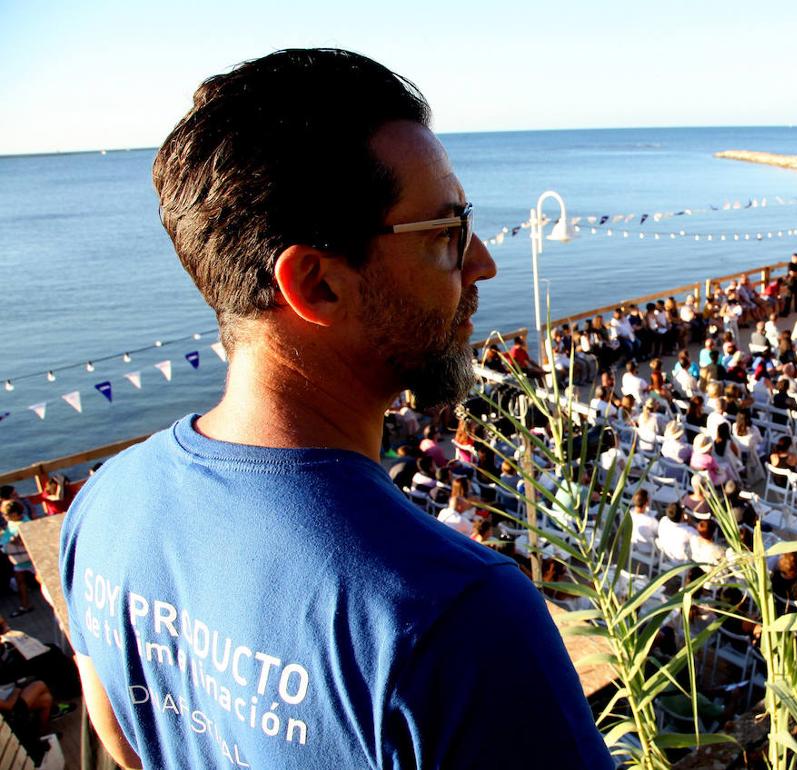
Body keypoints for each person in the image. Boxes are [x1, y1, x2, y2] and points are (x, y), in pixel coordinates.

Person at [60, 50, 611, 770]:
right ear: (317, 285)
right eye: (444, 233)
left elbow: (123, 742)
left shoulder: (103, 505)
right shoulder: (453, 615)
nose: (482, 261)